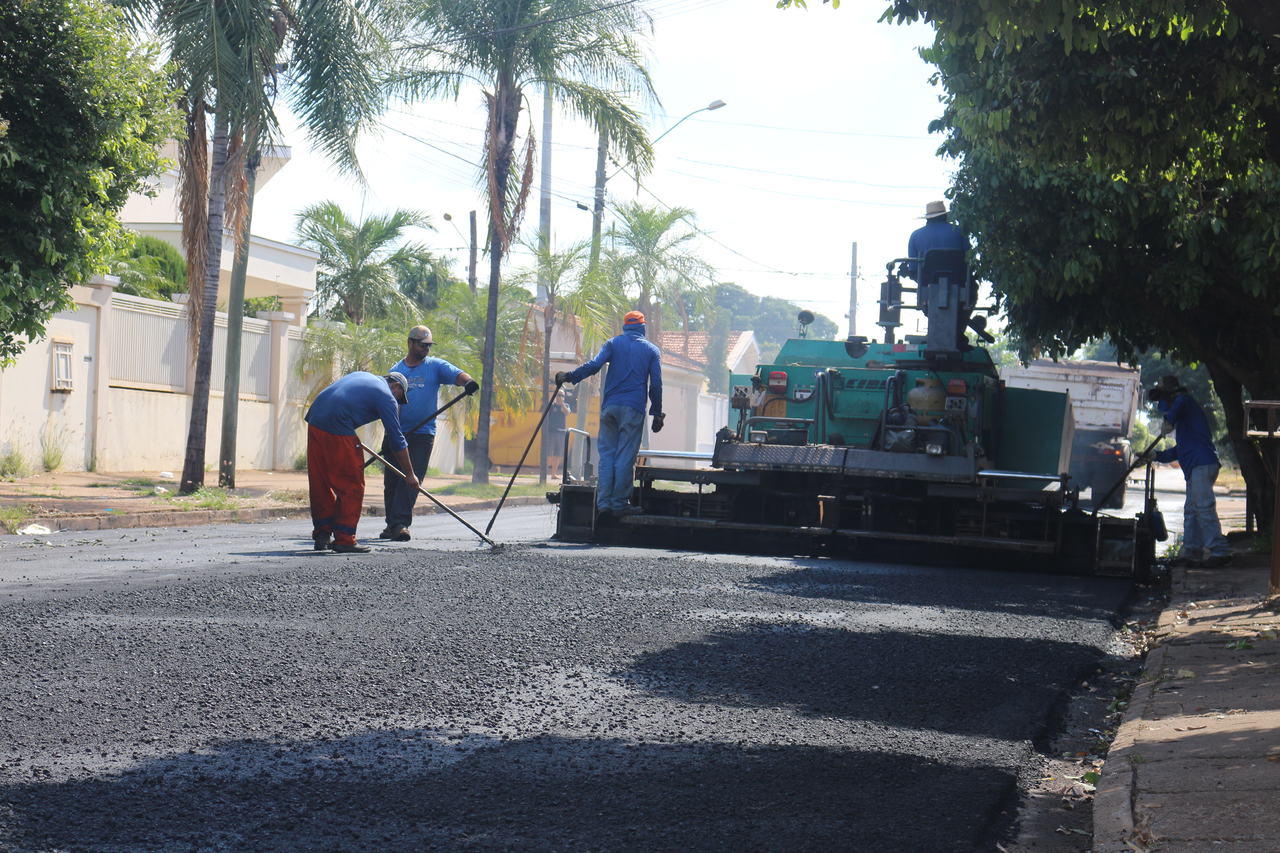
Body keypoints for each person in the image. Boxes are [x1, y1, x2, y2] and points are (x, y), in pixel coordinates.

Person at [555, 310, 663, 517]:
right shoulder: (651, 350)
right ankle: (619, 504)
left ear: (625, 326)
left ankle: (603, 503)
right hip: (633, 409)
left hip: (610, 408)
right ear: (643, 327)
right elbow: (656, 384)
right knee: (624, 457)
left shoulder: (613, 343)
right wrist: (657, 412)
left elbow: (594, 365)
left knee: (607, 456)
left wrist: (570, 376)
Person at [380, 325, 479, 542]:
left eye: (428, 346)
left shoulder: (435, 366)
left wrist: (469, 383)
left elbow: (458, 375)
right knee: (392, 480)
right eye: (422, 345)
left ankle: (400, 523)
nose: (426, 349)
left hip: (423, 434)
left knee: (412, 478)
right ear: (410, 343)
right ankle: (391, 524)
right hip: (396, 432)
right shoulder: (396, 370)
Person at [305, 371, 417, 554]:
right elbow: (397, 439)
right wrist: (410, 475)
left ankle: (322, 534)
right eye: (399, 397)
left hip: (316, 419)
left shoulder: (363, 376)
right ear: (395, 386)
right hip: (337, 424)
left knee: (320, 482)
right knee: (352, 484)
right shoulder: (386, 395)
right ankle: (345, 539)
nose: (397, 402)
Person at [1145, 375, 1232, 568]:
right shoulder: (1186, 424)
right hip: (1197, 465)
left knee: (1203, 507)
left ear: (1170, 394)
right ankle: (1192, 551)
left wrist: (1168, 420)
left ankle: (1219, 551)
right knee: (1192, 511)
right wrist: (1156, 456)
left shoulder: (1183, 401)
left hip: (1202, 464)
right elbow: (1180, 449)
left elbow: (1176, 407)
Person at [545, 387, 569, 480]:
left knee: (557, 454)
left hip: (561, 433)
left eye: (562, 395)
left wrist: (562, 403)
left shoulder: (566, 405)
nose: (560, 397)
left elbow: (567, 413)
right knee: (548, 453)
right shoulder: (551, 406)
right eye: (558, 395)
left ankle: (553, 474)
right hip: (551, 432)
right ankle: (544, 473)